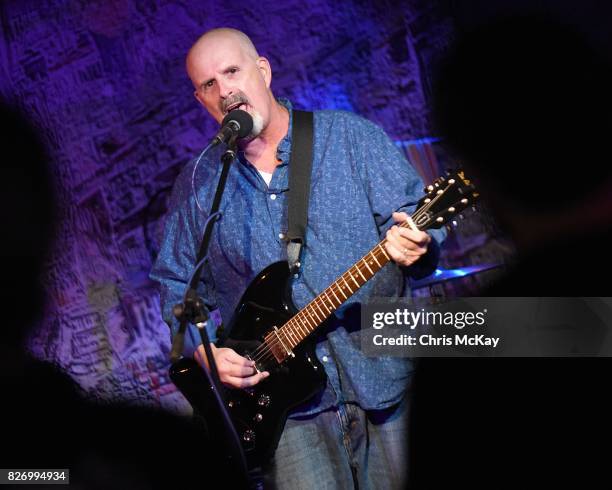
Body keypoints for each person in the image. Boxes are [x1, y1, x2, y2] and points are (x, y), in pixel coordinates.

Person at [150, 27, 445, 489]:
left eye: (233, 71)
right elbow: (176, 288)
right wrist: (205, 353)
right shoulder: (197, 186)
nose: (225, 89)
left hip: (385, 373)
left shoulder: (348, 138)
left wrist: (418, 241)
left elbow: (418, 217)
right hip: (286, 414)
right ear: (201, 100)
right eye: (209, 84)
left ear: (262, 71)